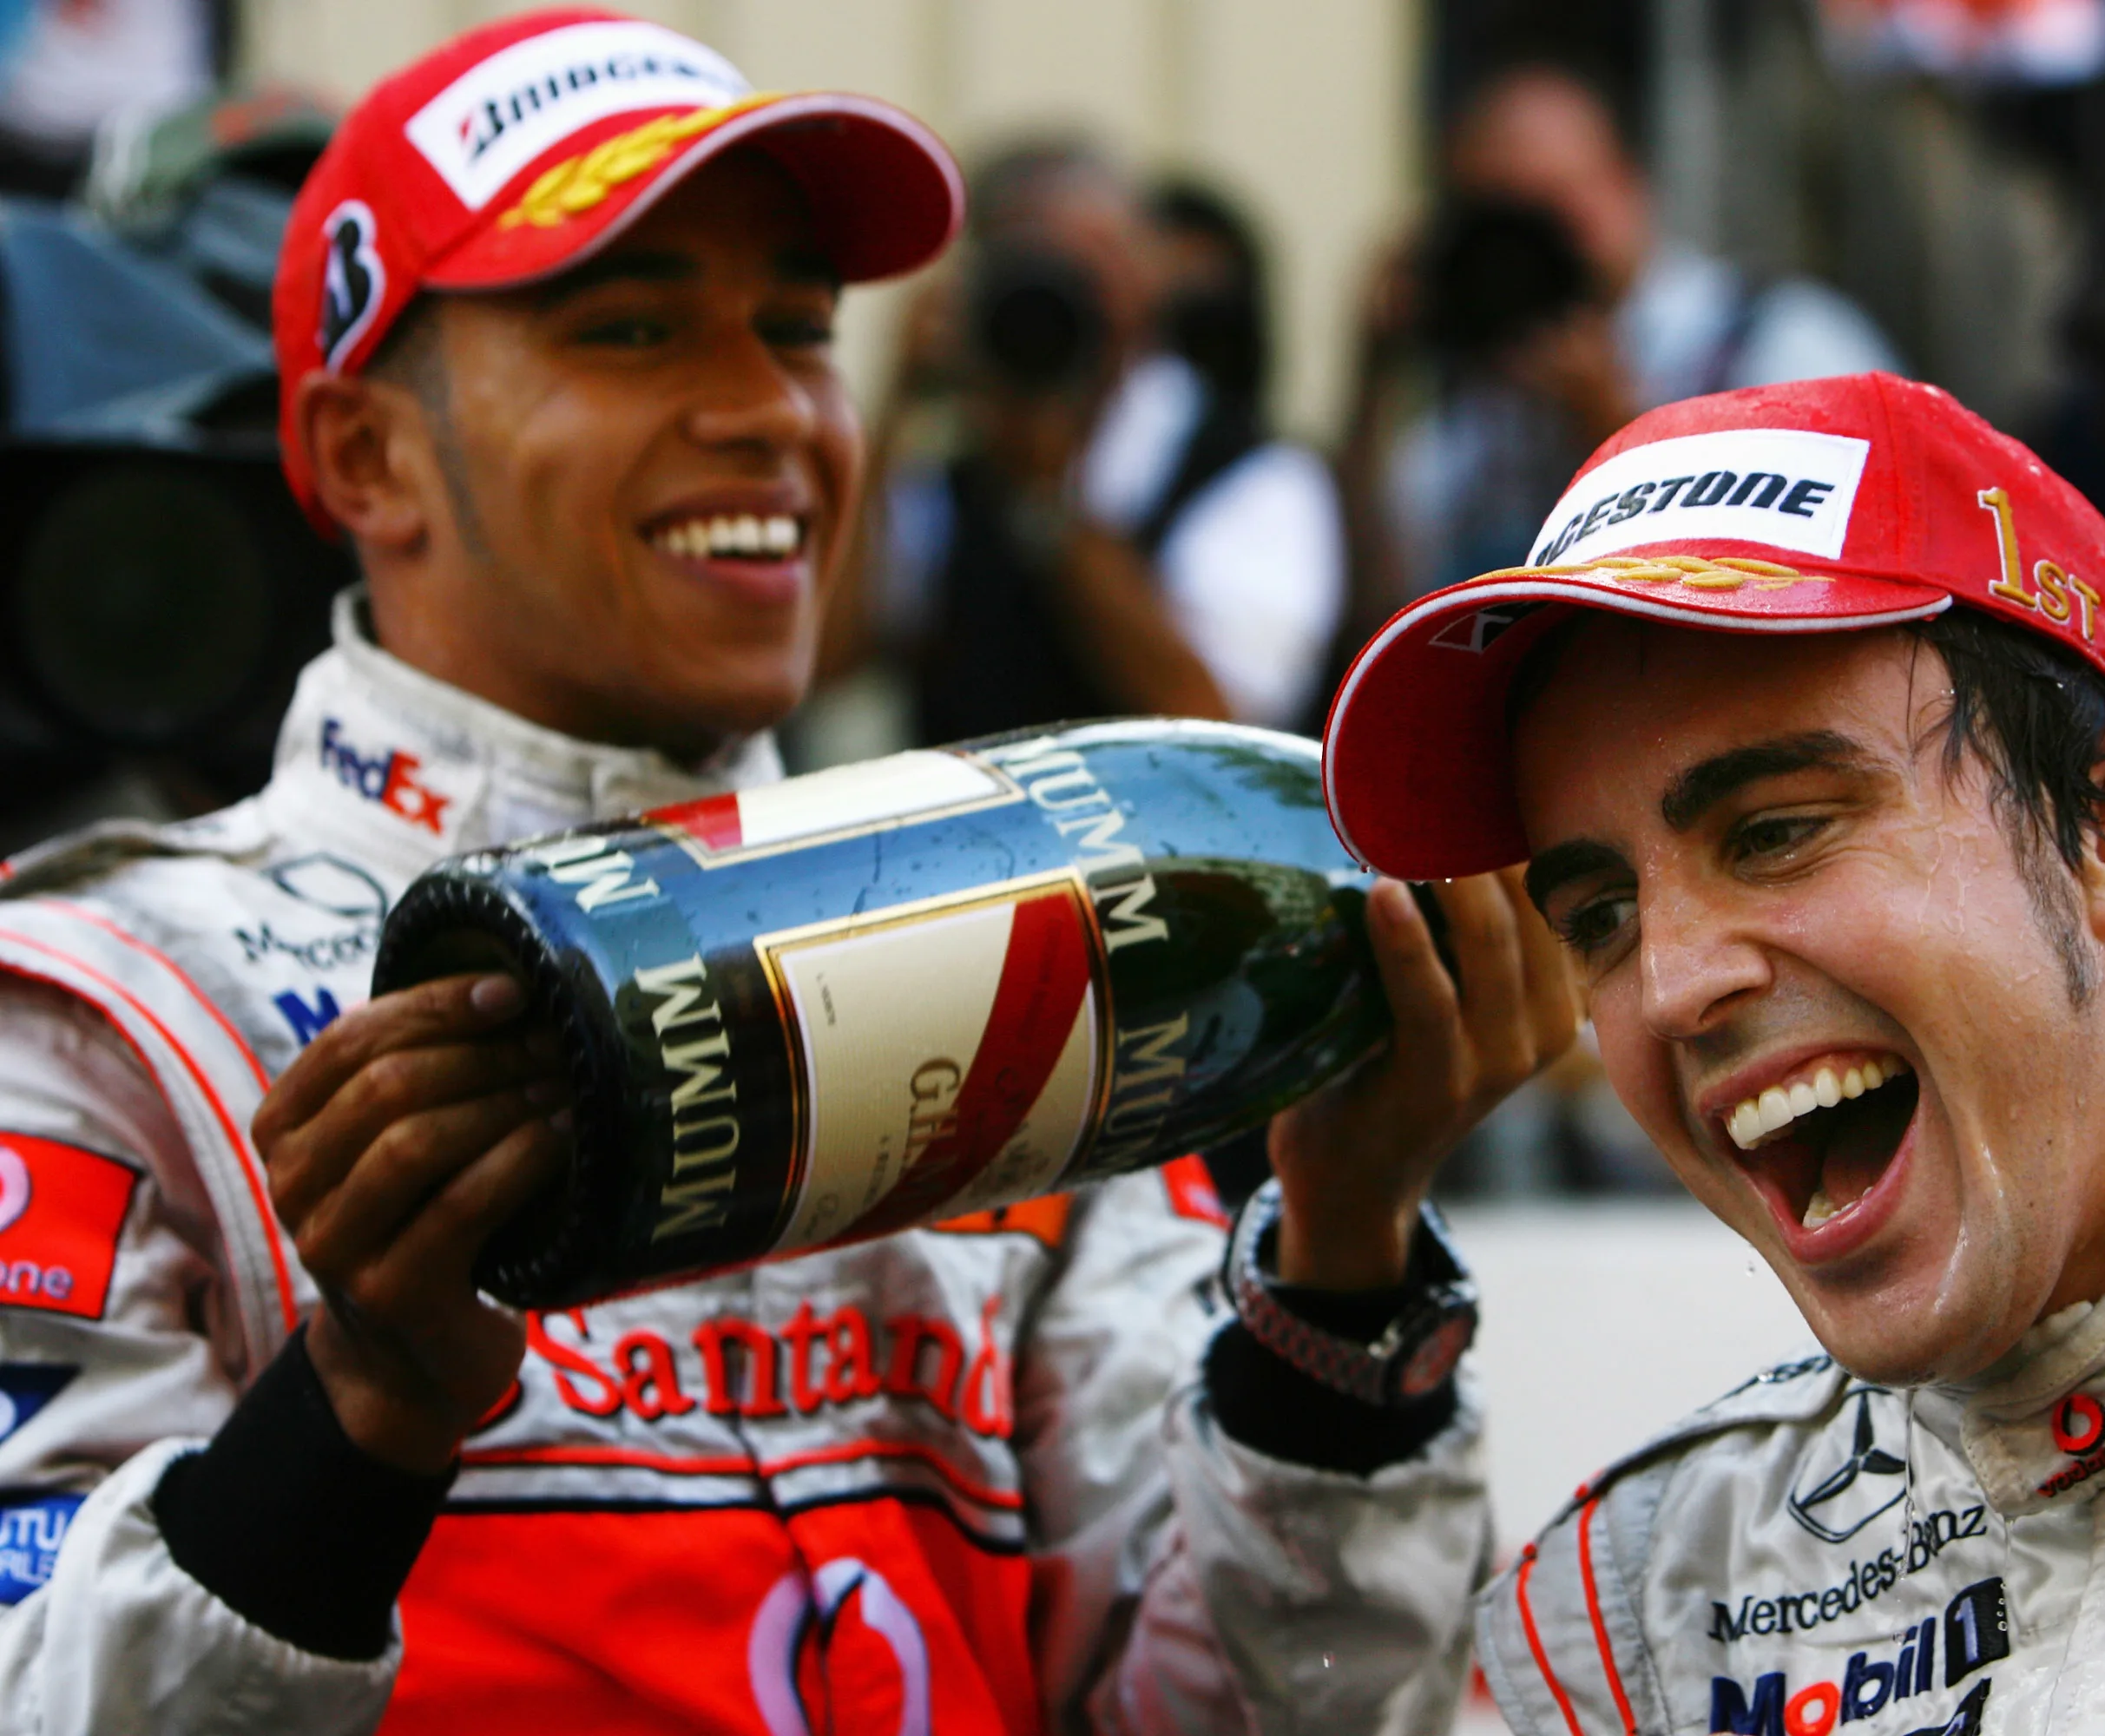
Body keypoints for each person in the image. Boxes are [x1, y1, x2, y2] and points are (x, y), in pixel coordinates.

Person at [0, 11, 1580, 1733]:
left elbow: (1275, 1707)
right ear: (371, 454)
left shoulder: (1044, 943)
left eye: (798, 331)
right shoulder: (108, 1012)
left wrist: (1339, 1286)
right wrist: (357, 1416)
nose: (766, 411)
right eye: (633, 329)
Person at [1320, 372, 2105, 1733]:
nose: (1675, 984)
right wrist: (1332, 1280)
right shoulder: (1644, 1602)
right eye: (1599, 916)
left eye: (1775, 832)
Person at [1350, 64, 1899, 613]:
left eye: (1549, 209)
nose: (1525, 252)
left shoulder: (1780, 343)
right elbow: (1382, 610)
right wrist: (1375, 377)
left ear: (1628, 186)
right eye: (1500, 224)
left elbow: (1870, 560)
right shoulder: (1468, 422)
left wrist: (1614, 429)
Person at [885, 145, 1345, 742]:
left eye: (1093, 264)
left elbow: (1216, 719)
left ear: (1151, 272)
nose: (1068, 297)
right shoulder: (948, 473)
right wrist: (892, 402)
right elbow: (826, 665)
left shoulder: (1259, 472)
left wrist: (1050, 497)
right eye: (1038, 271)